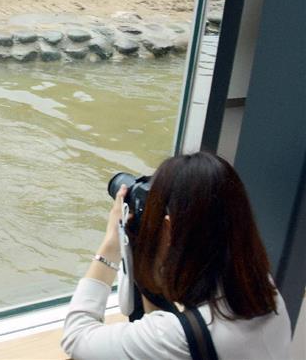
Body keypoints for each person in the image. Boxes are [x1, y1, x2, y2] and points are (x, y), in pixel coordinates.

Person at [61, 151, 291, 359]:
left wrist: (113, 241)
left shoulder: (178, 337)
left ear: (169, 228)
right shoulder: (262, 289)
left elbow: (76, 337)